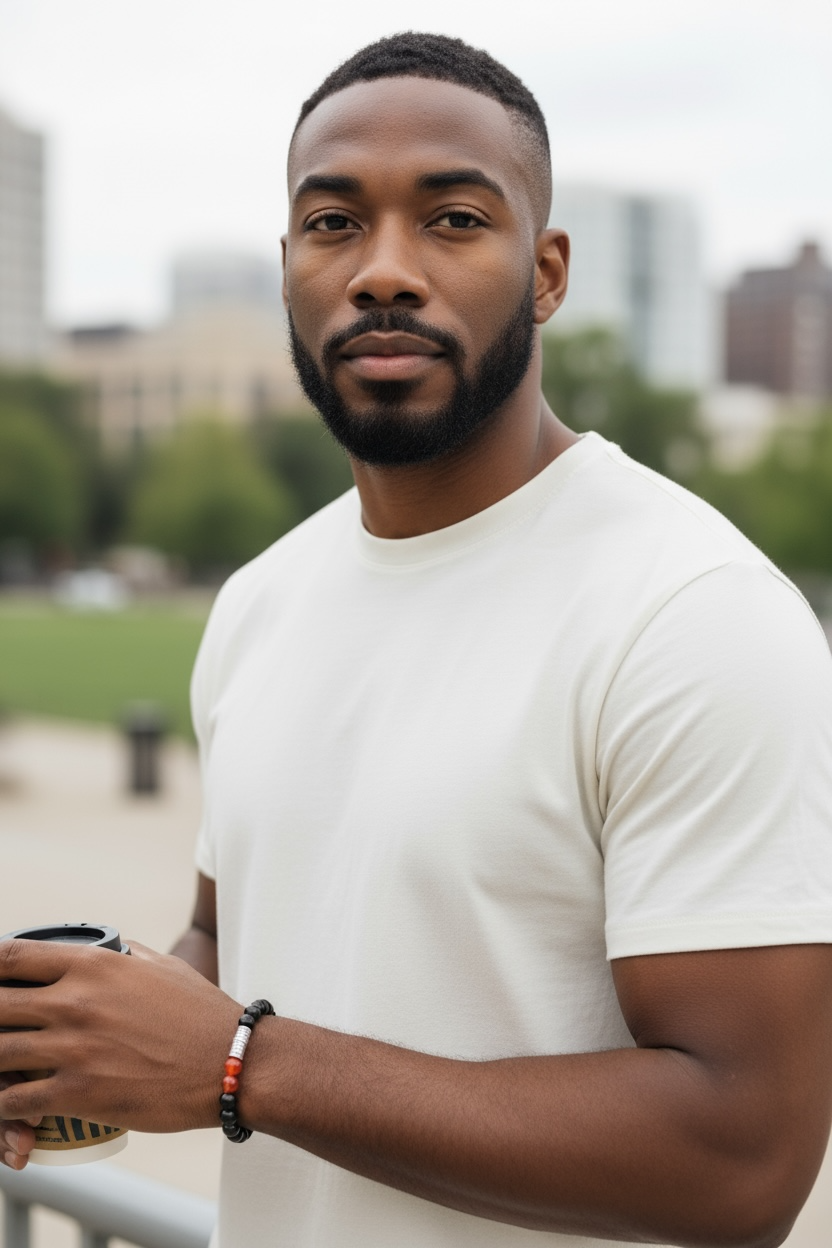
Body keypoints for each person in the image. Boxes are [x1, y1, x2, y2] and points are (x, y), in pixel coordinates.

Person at [2, 31, 832, 1248]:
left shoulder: (692, 613)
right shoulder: (262, 600)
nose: (383, 271)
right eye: (333, 223)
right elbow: (236, 940)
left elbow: (741, 1159)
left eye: (452, 220)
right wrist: (78, 1037)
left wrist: (242, 1065)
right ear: (288, 267)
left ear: (545, 272)